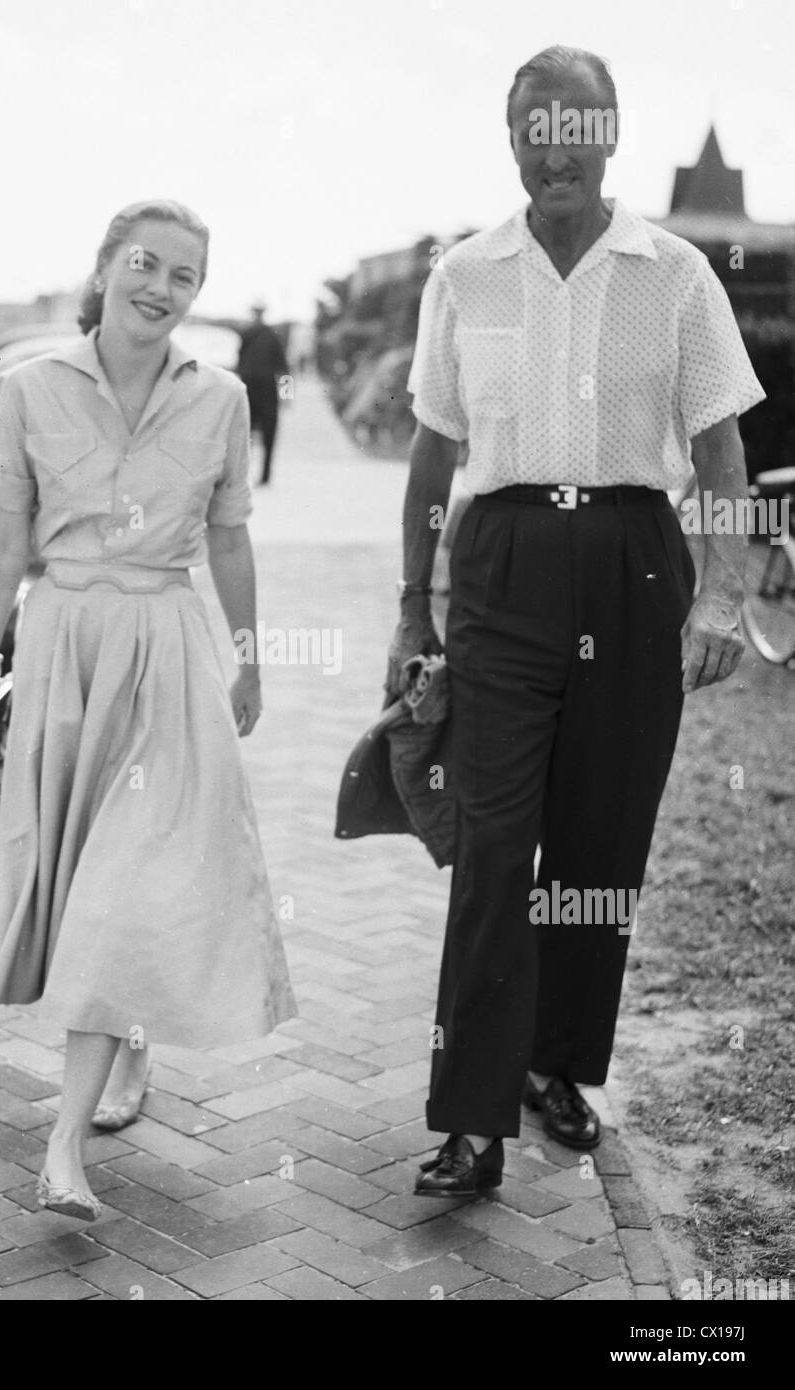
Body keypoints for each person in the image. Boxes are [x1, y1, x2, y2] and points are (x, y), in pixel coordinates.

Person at [390, 46, 765, 1197]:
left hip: (633, 560)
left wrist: (721, 591)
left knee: (600, 843)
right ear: (511, 141)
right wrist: (414, 603)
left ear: (612, 136)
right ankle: (470, 1119)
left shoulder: (677, 273)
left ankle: (558, 1068)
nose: (557, 146)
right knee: (495, 846)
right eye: (535, 126)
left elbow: (719, 447)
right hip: (501, 564)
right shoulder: (464, 274)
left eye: (578, 124)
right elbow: (432, 452)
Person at [0, 199, 297, 1221]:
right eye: (145, 263)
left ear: (198, 294)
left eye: (184, 276)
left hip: (168, 650)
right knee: (80, 882)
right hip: (63, 647)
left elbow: (230, 538)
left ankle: (62, 1153)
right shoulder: (22, 388)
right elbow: (6, 540)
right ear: (105, 266)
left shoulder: (224, 398)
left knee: (127, 881)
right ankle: (127, 1036)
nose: (160, 287)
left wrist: (247, 656)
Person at [236, 301, 289, 484]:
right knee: (243, 435)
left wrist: (286, 396)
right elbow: (239, 362)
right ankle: (242, 475)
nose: (257, 316)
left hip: (267, 390)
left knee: (269, 433)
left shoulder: (271, 335)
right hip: (249, 389)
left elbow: (283, 367)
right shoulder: (246, 334)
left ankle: (265, 475)